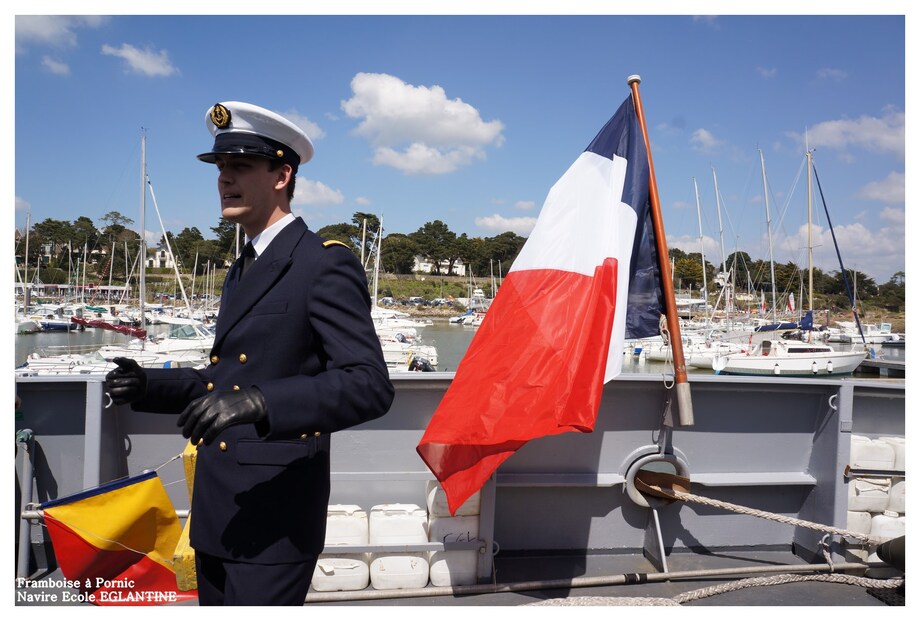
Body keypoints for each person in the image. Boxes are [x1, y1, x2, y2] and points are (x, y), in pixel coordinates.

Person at [105, 101, 395, 605]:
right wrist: (149, 385)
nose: (224, 179)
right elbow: (224, 382)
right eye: (220, 168)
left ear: (282, 174)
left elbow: (369, 383)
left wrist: (263, 402)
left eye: (239, 166)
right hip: (221, 512)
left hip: (277, 520)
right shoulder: (243, 267)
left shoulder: (320, 264)